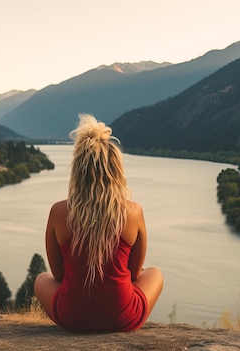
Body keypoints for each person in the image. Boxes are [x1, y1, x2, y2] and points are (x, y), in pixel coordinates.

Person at [34, 114, 163, 332]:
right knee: (155, 274)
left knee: (41, 279)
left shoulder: (58, 211)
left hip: (72, 316)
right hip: (122, 317)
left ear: (77, 171)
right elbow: (134, 275)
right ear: (116, 171)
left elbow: (58, 276)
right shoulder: (133, 212)